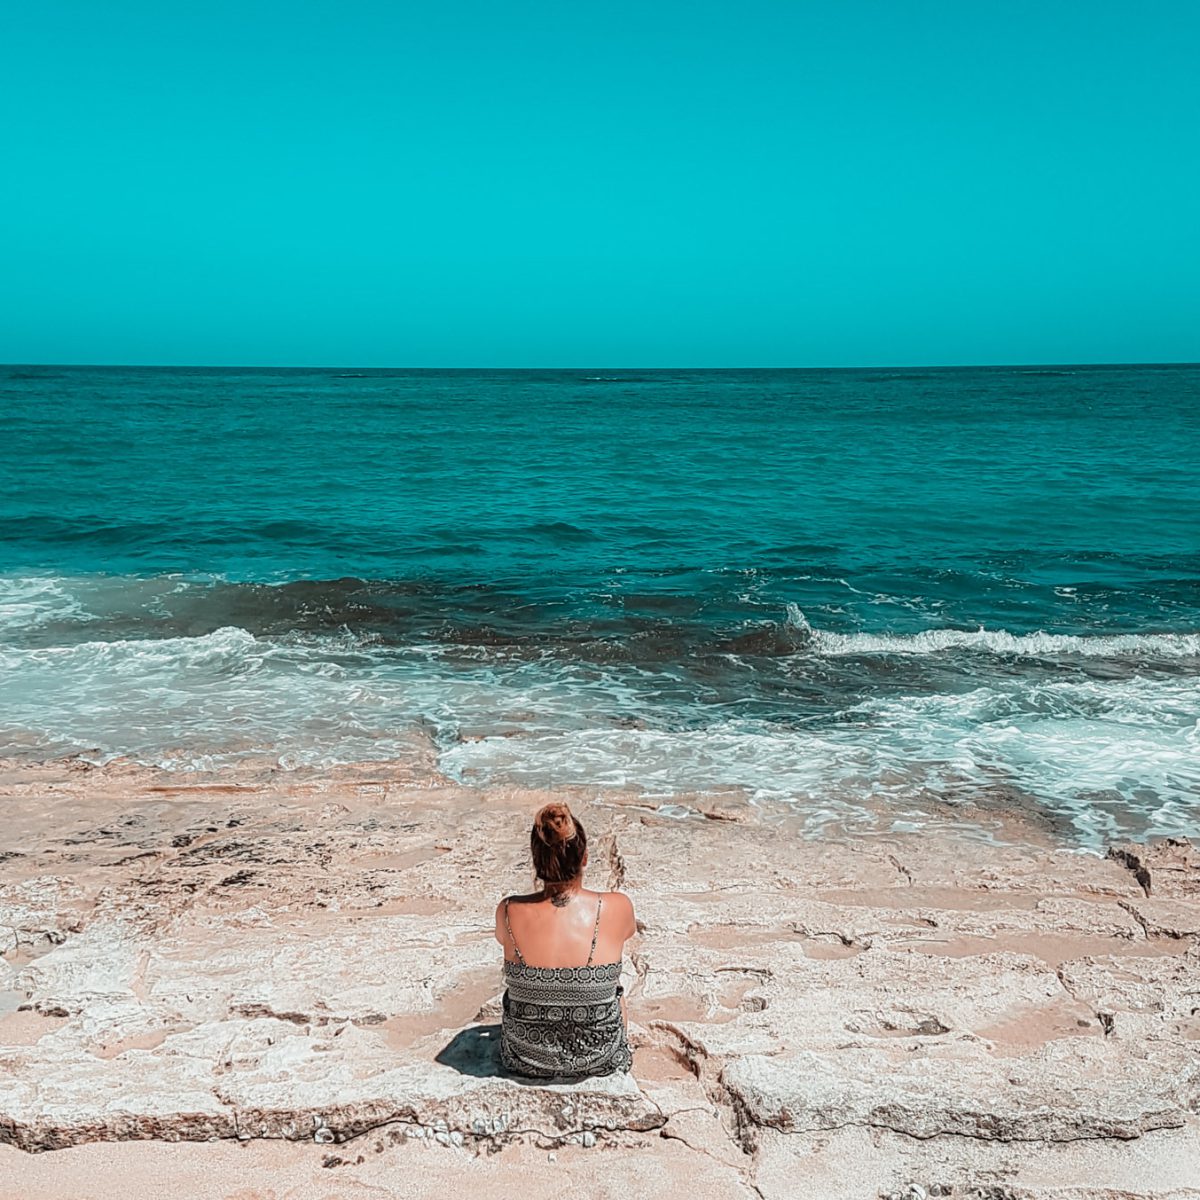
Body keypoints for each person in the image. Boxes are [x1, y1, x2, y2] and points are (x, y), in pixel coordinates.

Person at [494, 802, 635, 1078]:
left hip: (525, 1056)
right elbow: (627, 932)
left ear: (537, 862)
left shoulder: (508, 910)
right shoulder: (618, 906)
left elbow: (502, 938)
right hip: (599, 1056)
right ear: (584, 858)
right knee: (615, 987)